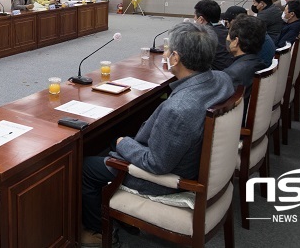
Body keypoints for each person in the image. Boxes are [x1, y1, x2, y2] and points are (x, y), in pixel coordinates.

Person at [81, 23, 234, 247]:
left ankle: (98, 232)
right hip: (197, 160)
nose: (164, 53)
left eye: (167, 50)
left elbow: (156, 164)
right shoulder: (223, 79)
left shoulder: (179, 109)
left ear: (175, 58)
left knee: (86, 167)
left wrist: (123, 143)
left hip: (168, 180)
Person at [224, 14, 267, 104]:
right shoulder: (259, 63)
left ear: (236, 42)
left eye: (228, 34)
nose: (227, 38)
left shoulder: (233, 74)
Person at [193, 0, 233, 70]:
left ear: (201, 19)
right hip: (229, 71)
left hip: (214, 75)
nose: (194, 19)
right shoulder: (226, 31)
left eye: (195, 16)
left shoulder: (203, 36)